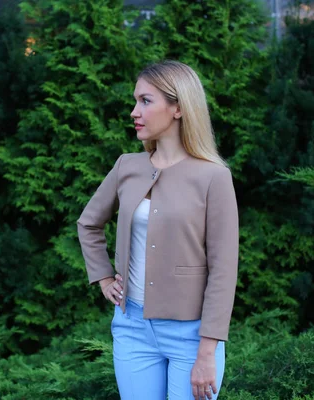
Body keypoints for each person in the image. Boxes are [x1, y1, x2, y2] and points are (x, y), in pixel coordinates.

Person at [77, 60, 239, 400]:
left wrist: (207, 351)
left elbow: (224, 271)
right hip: (132, 328)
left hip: (192, 336)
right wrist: (104, 277)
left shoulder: (213, 177)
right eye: (135, 101)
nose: (135, 111)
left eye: (145, 101)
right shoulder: (127, 166)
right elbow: (88, 223)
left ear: (178, 107)